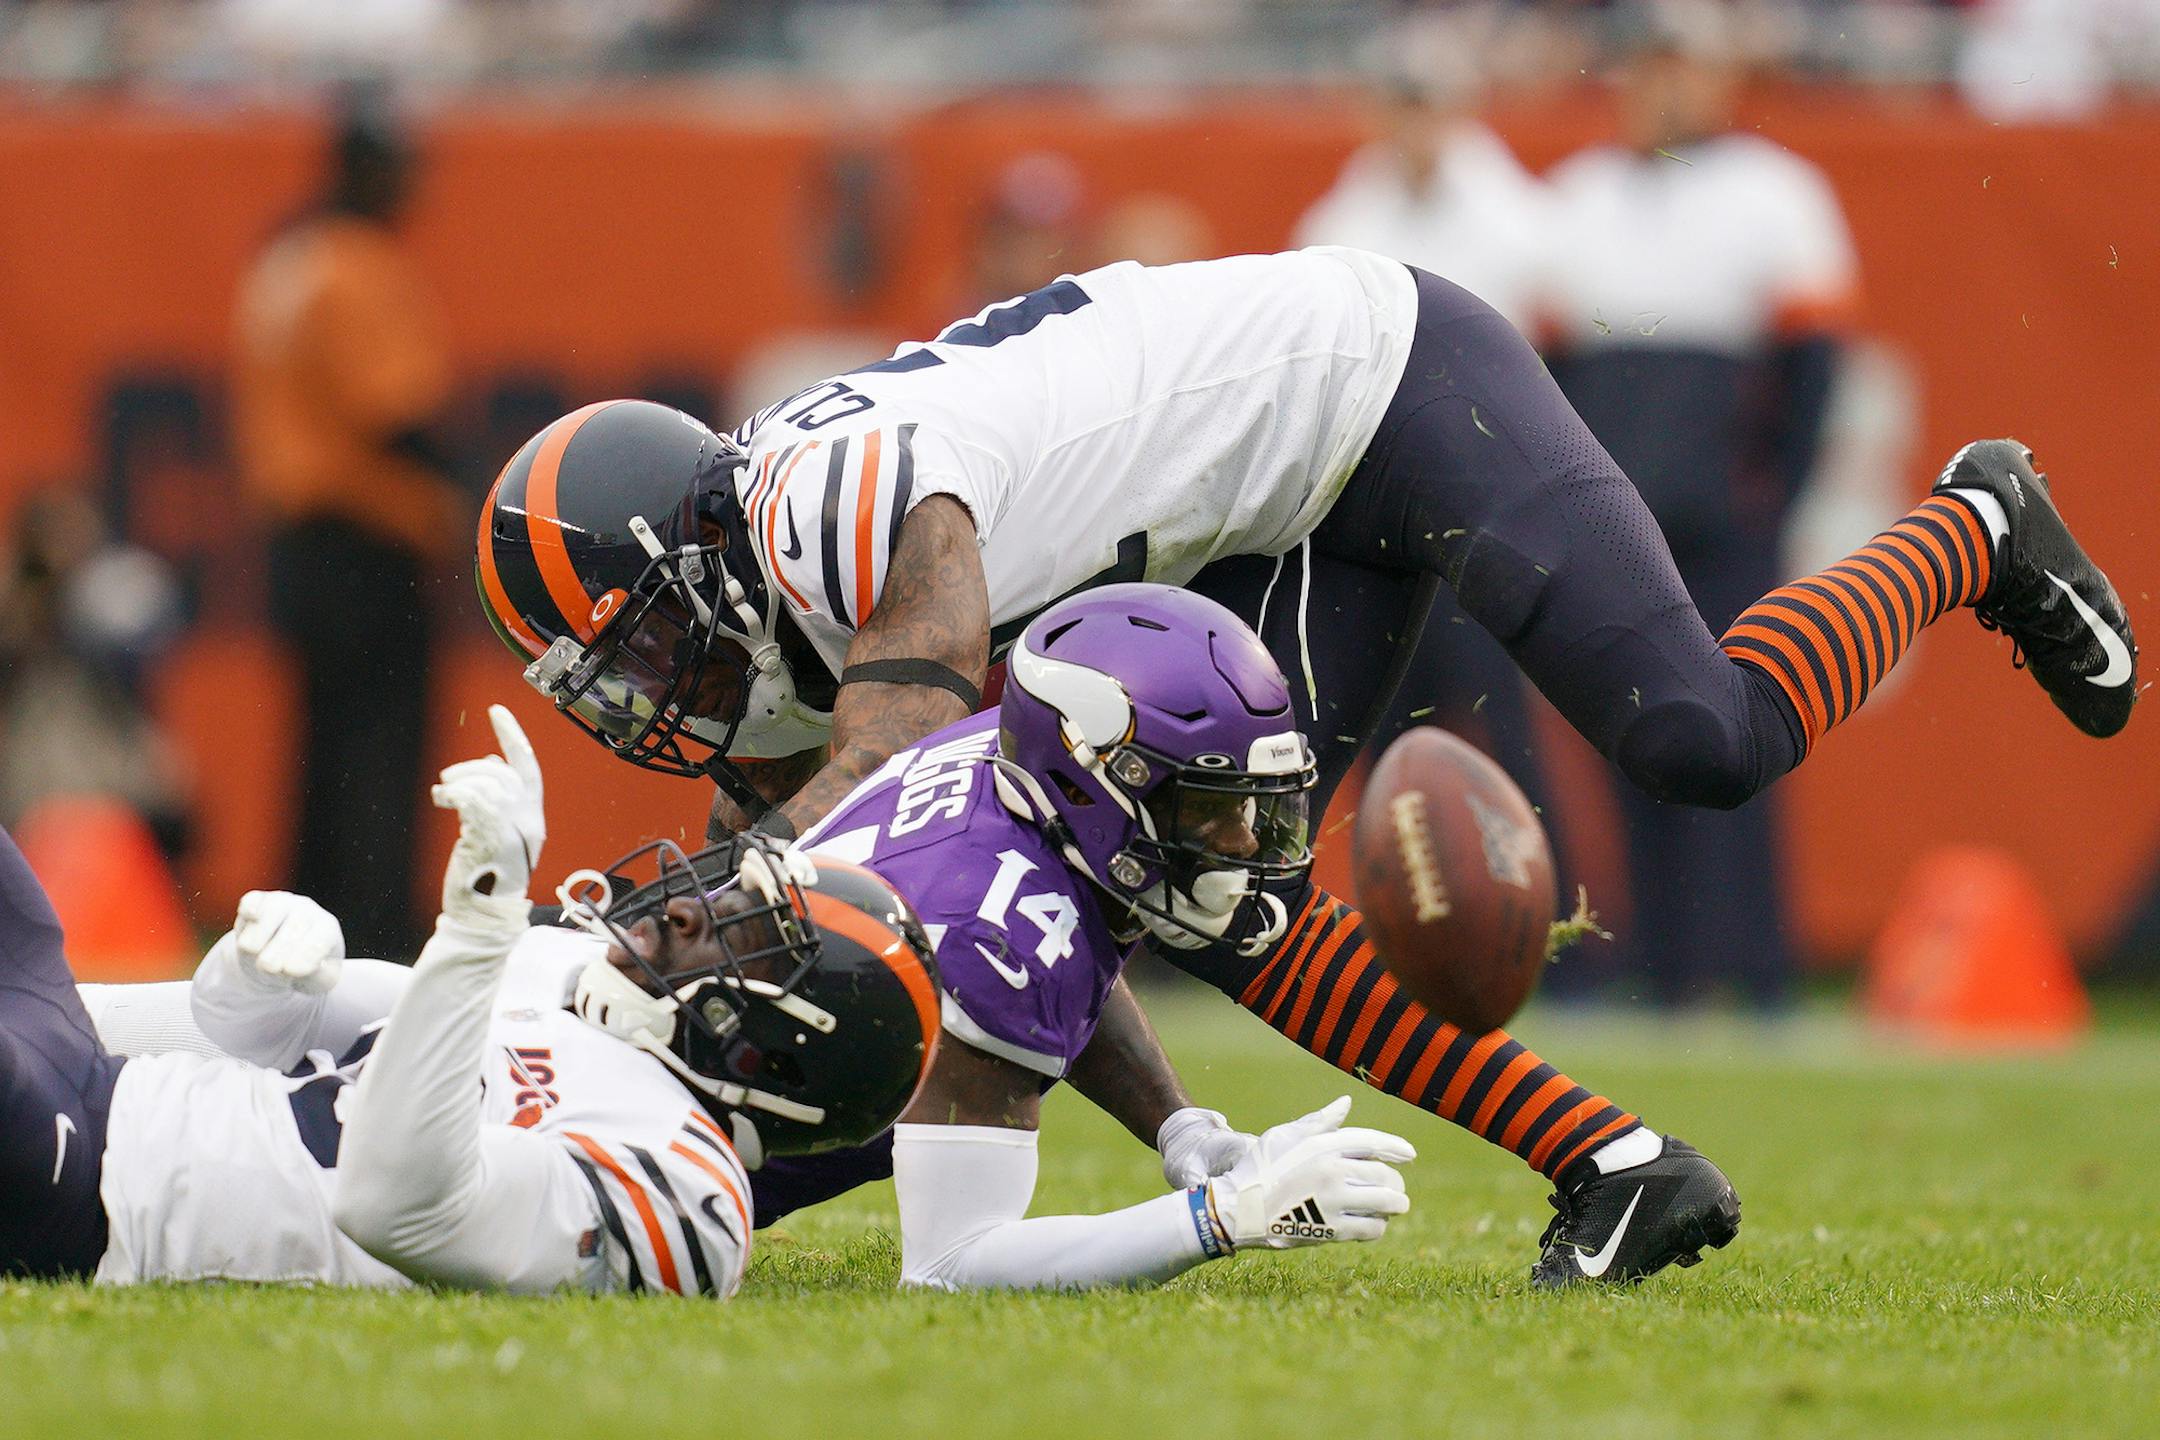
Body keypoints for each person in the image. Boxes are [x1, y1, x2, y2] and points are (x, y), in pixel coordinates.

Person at [479, 241, 2135, 1275]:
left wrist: (654, 926)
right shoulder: (775, 631)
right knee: (1189, 878)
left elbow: (911, 750)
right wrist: (1185, 1134)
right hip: (1263, 516)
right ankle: (1624, 1169)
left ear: (687, 546)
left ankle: (1977, 522)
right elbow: (1014, 888)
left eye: (628, 653)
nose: (639, 705)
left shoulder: (818, 502)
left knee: (1697, 736)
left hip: (1377, 375)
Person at [1, 707, 934, 1292]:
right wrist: (261, 966)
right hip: (92, 1075)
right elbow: (254, 1031)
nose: (694, 908)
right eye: (729, 897)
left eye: (745, 937)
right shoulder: (567, 986)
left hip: (101, 1199)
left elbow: (397, 1206)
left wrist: (477, 930)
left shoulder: (688, 1195)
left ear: (776, 1060)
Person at [1539, 2, 1862, 1006]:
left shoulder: (1776, 193)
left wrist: (1776, 505)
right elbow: (1544, 372)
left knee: (1744, 730)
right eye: (1645, 68)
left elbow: (1812, 366)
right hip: (1615, 517)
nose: (1661, 88)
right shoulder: (1578, 196)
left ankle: (1756, 968)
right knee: (1635, 736)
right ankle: (1664, 967)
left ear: (1720, 77)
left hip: (1720, 510)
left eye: (1680, 67)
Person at [231, 91, 461, 956]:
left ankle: (302, 923)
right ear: (369, 169)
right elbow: (396, 413)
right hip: (367, 541)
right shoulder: (356, 263)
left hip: (303, 542)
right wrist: (471, 482)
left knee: (324, 751)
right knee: (378, 754)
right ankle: (367, 935)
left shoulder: (287, 260)